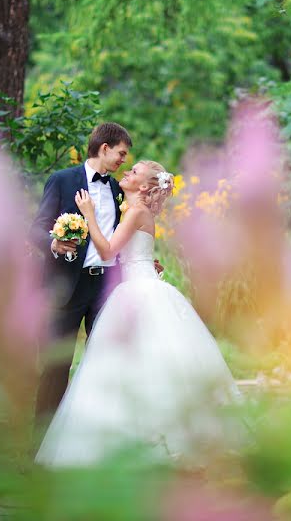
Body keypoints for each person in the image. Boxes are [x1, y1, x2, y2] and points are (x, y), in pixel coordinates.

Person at [35, 160, 240, 466]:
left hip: (137, 290)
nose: (126, 173)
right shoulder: (133, 211)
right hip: (136, 284)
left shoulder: (135, 212)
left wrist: (88, 215)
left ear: (144, 187)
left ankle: (142, 442)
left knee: (136, 364)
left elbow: (107, 251)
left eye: (133, 172)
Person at [31, 123, 159, 423]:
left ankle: (95, 441)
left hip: (107, 289)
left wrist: (142, 260)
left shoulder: (118, 189)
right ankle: (40, 445)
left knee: (104, 365)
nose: (123, 161)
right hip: (66, 287)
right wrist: (54, 243)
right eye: (121, 153)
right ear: (105, 148)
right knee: (55, 367)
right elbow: (35, 228)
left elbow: (125, 235)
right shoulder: (62, 180)